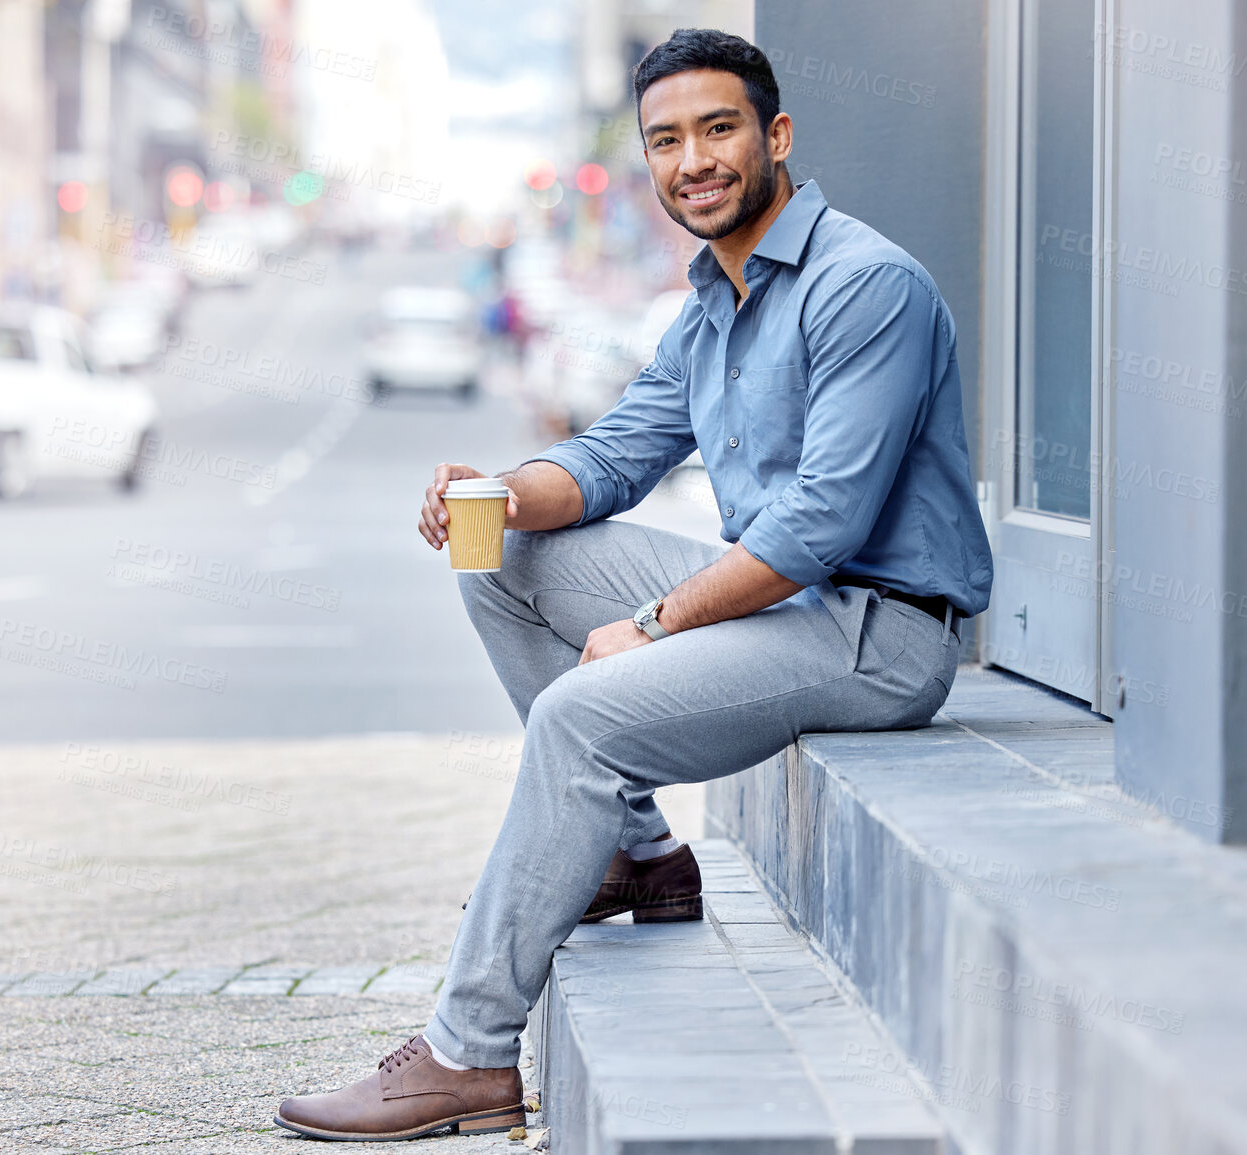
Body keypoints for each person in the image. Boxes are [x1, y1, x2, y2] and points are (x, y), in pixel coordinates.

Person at [275, 27, 993, 1141]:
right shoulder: (712, 303)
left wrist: (653, 625)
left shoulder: (868, 286)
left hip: (880, 632)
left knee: (579, 719)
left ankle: (466, 1055)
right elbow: (611, 461)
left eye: (718, 129)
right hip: (796, 602)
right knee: (501, 557)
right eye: (667, 140)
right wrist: (505, 491)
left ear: (776, 136)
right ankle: (640, 855)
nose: (693, 160)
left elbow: (821, 523)